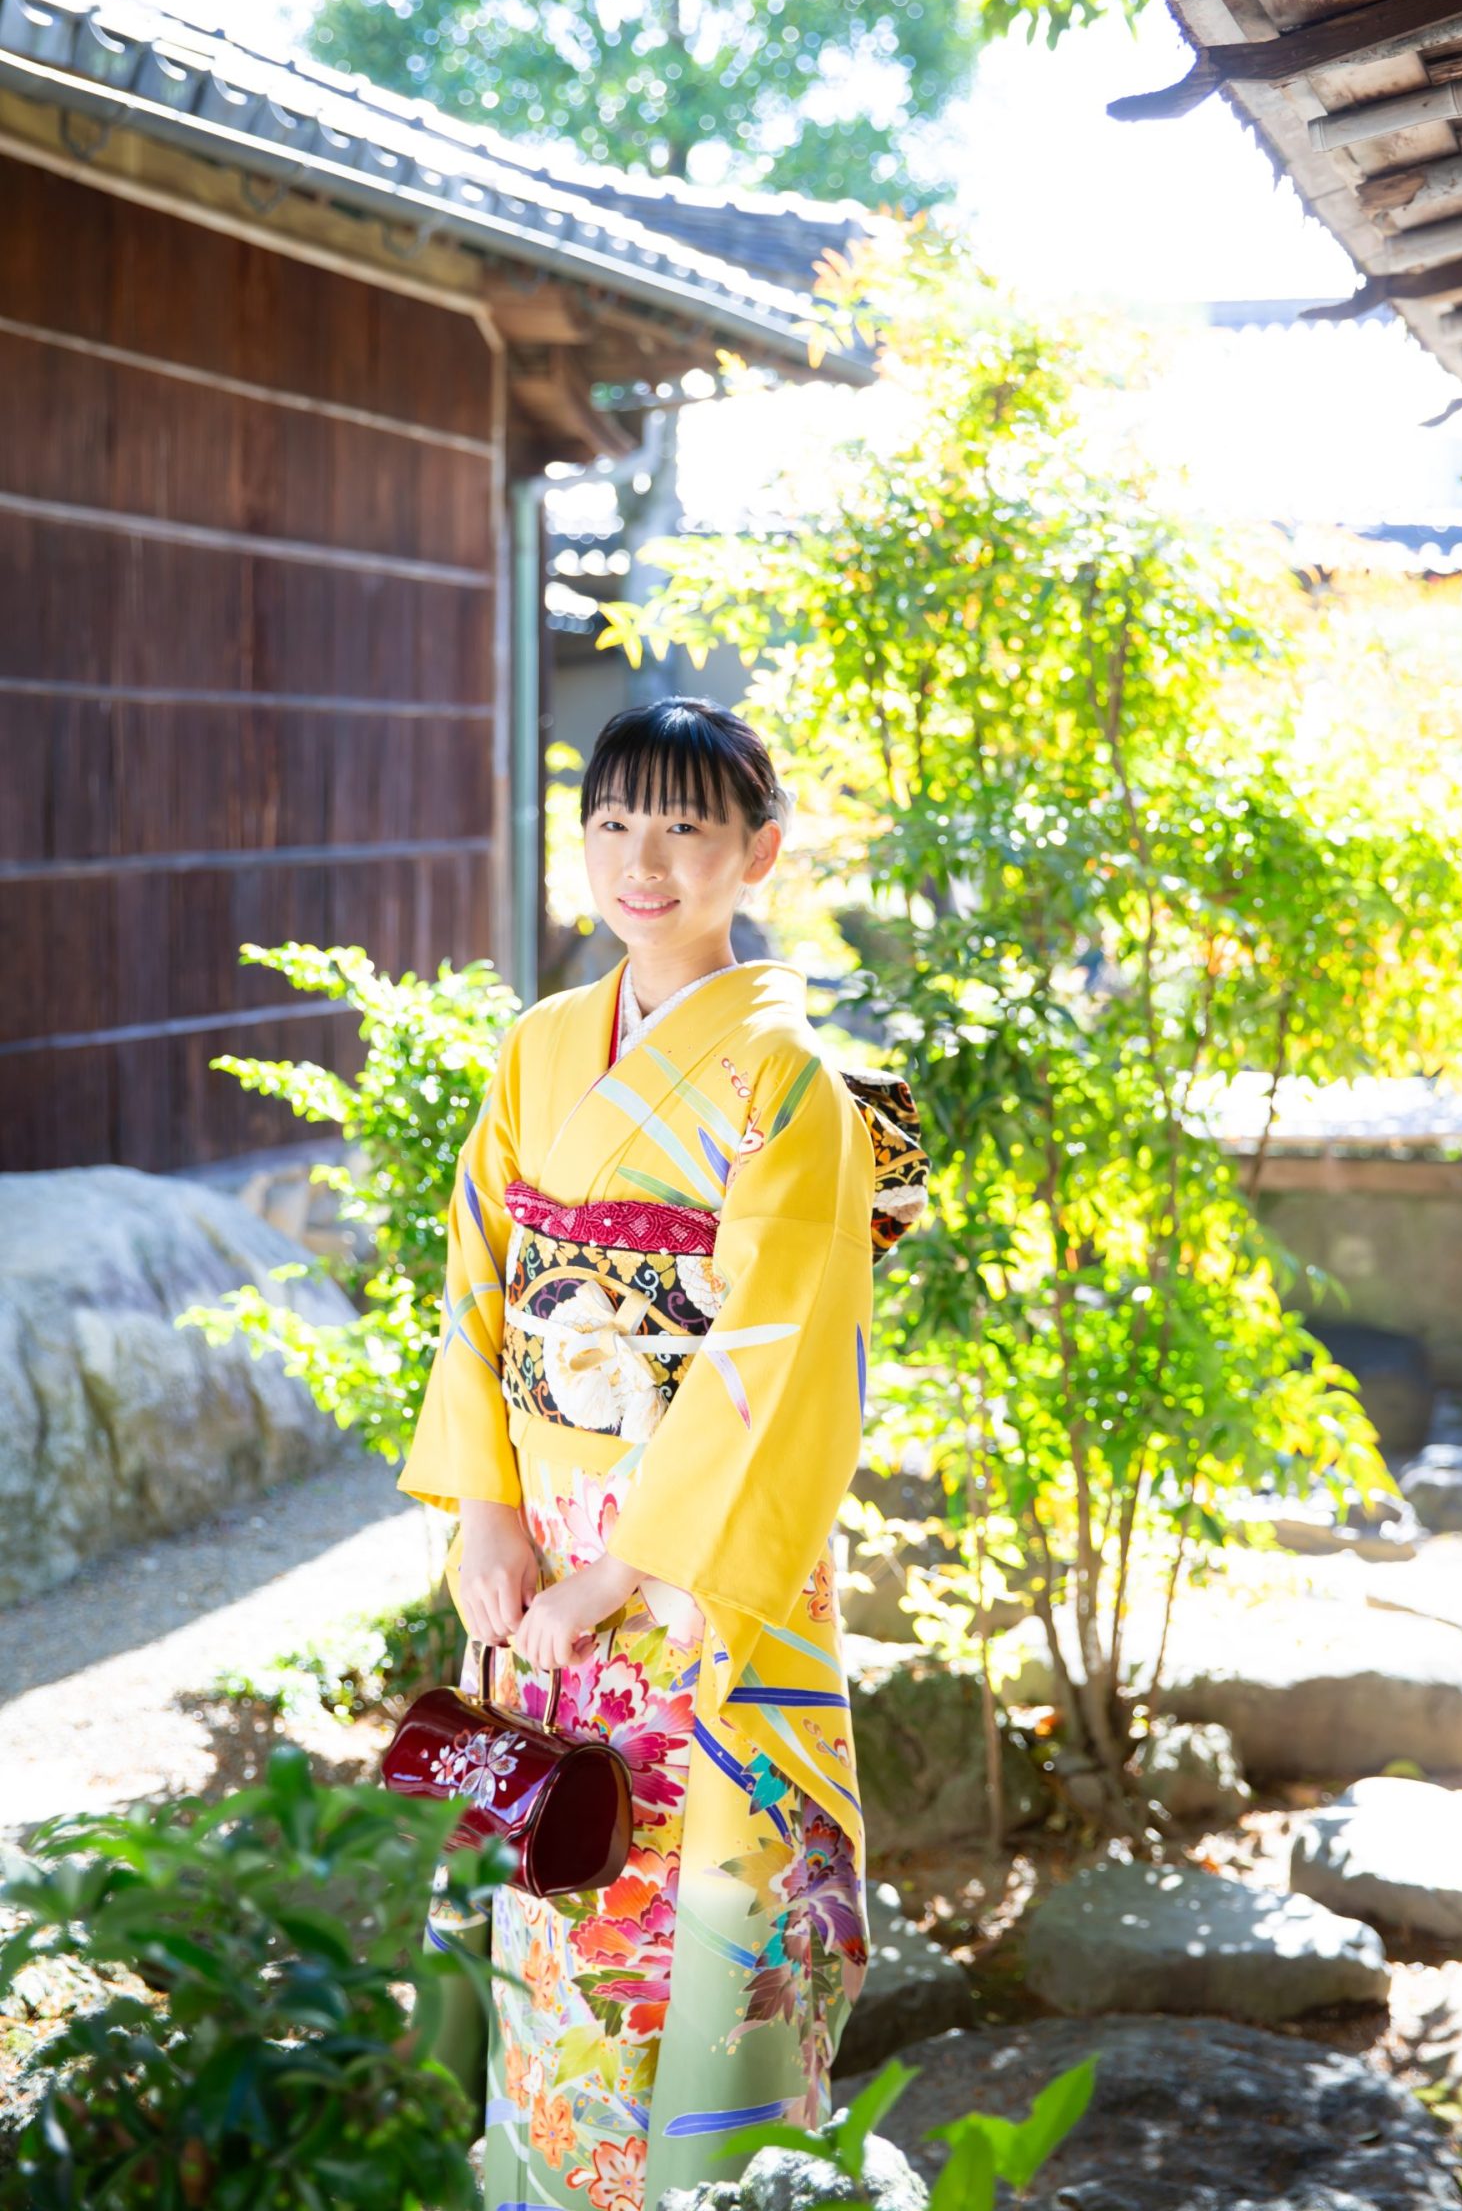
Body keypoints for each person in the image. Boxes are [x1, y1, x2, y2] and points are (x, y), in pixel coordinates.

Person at [399, 697, 928, 2211]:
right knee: (552, 1855)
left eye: (686, 828)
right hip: (543, 1531)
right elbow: (478, 1285)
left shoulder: (802, 1085)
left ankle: (706, 2173)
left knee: (689, 1861)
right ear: (580, 846)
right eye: (614, 823)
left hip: (698, 1551)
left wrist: (631, 1567)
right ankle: (539, 2168)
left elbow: (778, 1346)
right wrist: (490, 1512)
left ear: (758, 855)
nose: (645, 859)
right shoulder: (539, 1048)